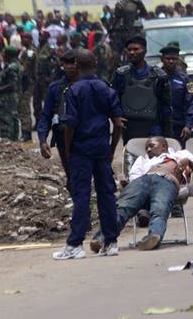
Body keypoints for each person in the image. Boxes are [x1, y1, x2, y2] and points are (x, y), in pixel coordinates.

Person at [53, 49, 123, 260]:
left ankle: (75, 244)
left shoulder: (74, 90)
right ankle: (111, 242)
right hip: (101, 148)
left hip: (81, 150)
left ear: (76, 64)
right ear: (95, 63)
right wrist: (111, 149)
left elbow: (70, 125)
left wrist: (67, 148)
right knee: (106, 195)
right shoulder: (105, 88)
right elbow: (118, 123)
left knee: (81, 195)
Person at [89, 137, 193, 252]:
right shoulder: (142, 159)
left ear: (163, 146)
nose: (148, 150)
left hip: (167, 180)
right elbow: (134, 178)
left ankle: (154, 236)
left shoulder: (182, 154)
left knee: (159, 209)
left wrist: (190, 163)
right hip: (143, 181)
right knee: (122, 207)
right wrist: (128, 185)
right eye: (146, 147)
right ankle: (102, 238)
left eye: (152, 146)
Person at [111, 35, 172, 144]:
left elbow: (165, 103)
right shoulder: (121, 74)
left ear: (145, 51)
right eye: (129, 50)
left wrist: (167, 130)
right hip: (130, 126)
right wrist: (116, 116)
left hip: (153, 126)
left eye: (136, 49)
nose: (132, 52)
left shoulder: (158, 75)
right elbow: (114, 98)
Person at [38, 50, 78, 181]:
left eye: (73, 63)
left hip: (83, 136)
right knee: (70, 173)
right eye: (67, 63)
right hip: (62, 136)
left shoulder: (88, 85)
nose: (70, 66)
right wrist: (43, 140)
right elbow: (46, 115)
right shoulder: (55, 88)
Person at [160, 45, 193, 149]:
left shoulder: (186, 80)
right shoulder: (155, 77)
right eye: (168, 58)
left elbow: (192, 102)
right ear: (162, 59)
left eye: (174, 59)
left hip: (178, 127)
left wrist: (188, 126)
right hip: (159, 126)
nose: (171, 61)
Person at [0, 46, 22, 141]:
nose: (3, 55)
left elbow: (12, 85)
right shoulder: (17, 65)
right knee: (14, 119)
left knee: (6, 121)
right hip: (13, 97)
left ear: (8, 55)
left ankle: (8, 141)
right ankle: (14, 141)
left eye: (4, 54)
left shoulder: (12, 67)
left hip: (7, 98)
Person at [33, 31, 56, 127]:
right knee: (36, 101)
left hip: (45, 78)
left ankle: (48, 122)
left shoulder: (50, 49)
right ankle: (38, 121)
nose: (40, 37)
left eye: (42, 36)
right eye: (40, 36)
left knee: (47, 101)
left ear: (46, 37)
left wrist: (50, 77)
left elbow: (55, 64)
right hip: (36, 78)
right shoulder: (36, 48)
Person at [17, 33, 36, 141]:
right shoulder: (24, 51)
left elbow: (25, 68)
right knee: (21, 107)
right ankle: (25, 131)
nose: (22, 40)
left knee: (24, 107)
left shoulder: (30, 52)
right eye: (22, 38)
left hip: (27, 82)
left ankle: (26, 133)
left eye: (25, 38)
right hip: (23, 82)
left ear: (30, 39)